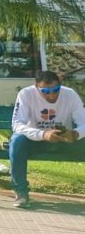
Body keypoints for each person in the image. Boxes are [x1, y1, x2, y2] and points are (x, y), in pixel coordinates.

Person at [9, 71, 85, 207]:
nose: (52, 95)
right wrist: (43, 134)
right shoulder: (26, 94)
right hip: (34, 140)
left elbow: (83, 122)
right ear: (37, 87)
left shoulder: (70, 94)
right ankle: (21, 192)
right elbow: (17, 124)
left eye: (56, 90)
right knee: (17, 141)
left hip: (64, 141)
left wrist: (75, 134)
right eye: (45, 91)